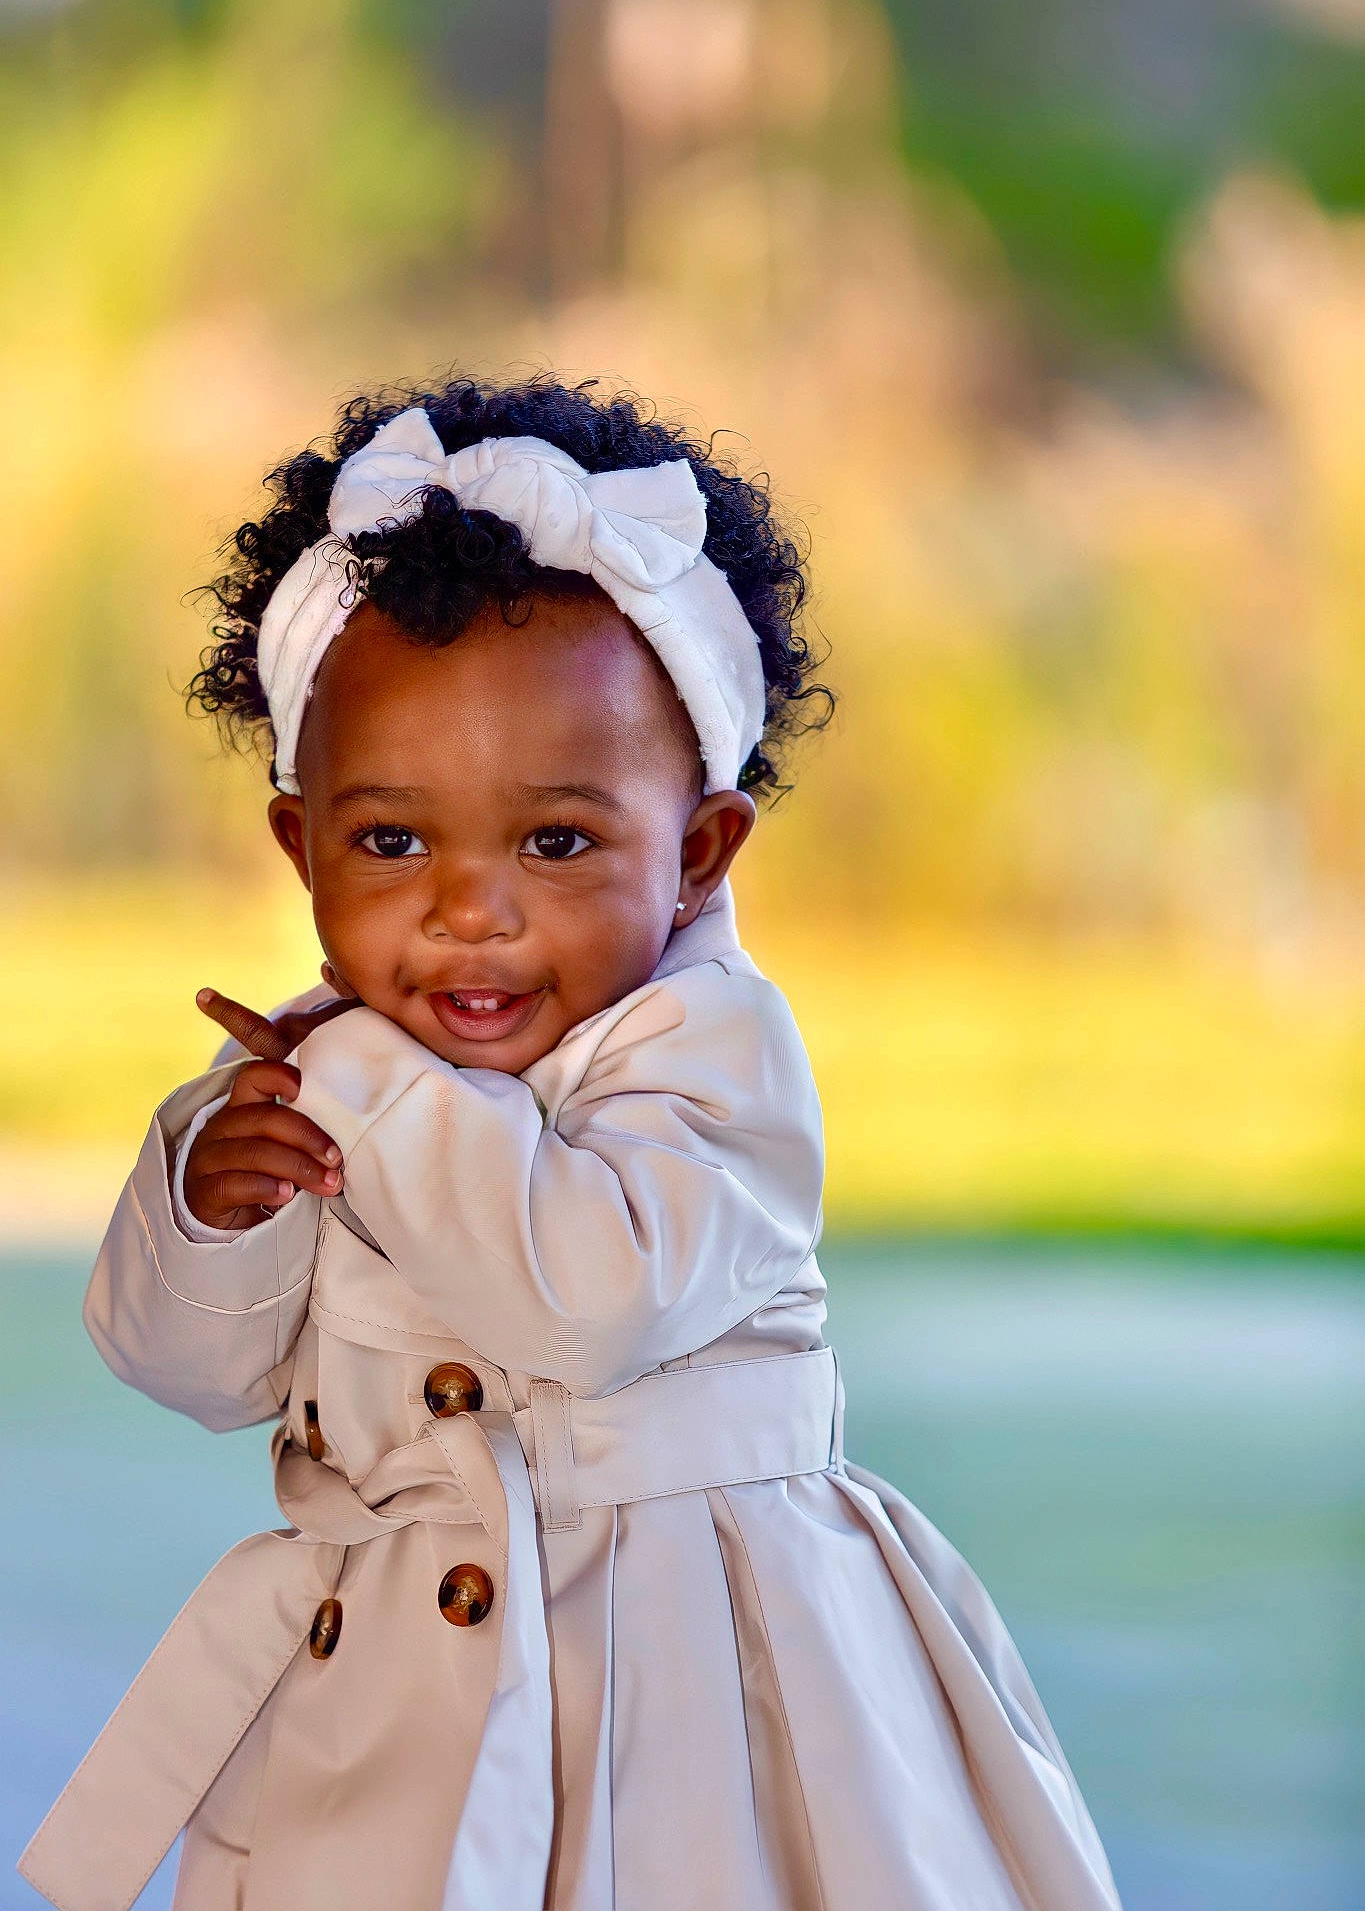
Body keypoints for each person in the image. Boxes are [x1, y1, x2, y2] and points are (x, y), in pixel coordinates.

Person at [19, 375, 1122, 1911]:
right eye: (391, 841)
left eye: (557, 840)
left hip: (699, 1687)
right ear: (301, 842)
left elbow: (584, 1298)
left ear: (696, 852)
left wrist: (354, 1088)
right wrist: (214, 1212)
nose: (470, 909)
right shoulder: (316, 1062)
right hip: (386, 1704)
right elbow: (187, 1368)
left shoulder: (710, 1052)